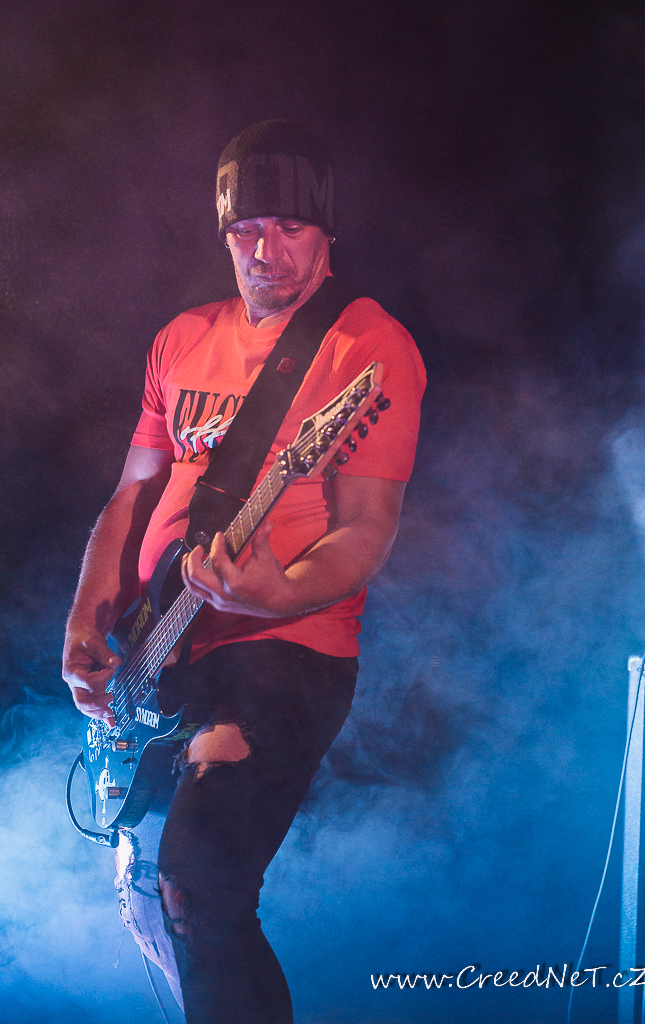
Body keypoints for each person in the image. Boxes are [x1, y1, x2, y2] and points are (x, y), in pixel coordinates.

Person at [62, 120, 426, 1024]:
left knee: (200, 883)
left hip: (285, 648)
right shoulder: (182, 337)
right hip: (160, 646)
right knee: (154, 902)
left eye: (290, 229)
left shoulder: (363, 347)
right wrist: (86, 620)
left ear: (328, 231)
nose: (266, 252)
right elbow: (134, 492)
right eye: (246, 230)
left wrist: (280, 590)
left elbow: (367, 527)